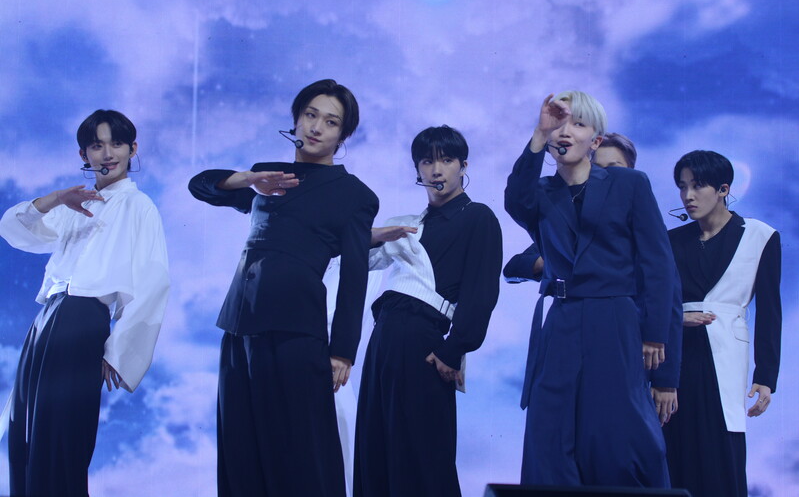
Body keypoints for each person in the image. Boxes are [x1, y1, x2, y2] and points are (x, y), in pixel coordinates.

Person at [188, 79, 378, 497]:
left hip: (296, 331)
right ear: (296, 119)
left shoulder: (355, 195)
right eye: (310, 115)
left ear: (343, 135)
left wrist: (343, 350)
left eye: (331, 122)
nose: (316, 127)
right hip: (239, 325)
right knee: (241, 449)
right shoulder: (268, 177)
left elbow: (355, 276)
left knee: (299, 453)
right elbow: (200, 185)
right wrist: (249, 180)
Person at [505, 92, 676, 487]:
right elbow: (515, 200)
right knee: (551, 427)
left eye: (578, 125)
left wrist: (654, 332)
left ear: (595, 141)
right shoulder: (541, 192)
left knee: (617, 430)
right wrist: (539, 133)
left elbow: (657, 262)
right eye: (559, 125)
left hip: (614, 316)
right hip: (563, 318)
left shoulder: (629, 184)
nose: (565, 132)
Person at [0, 109, 170, 497]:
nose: (107, 154)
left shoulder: (139, 206)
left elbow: (153, 281)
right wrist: (57, 198)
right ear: (83, 154)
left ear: (133, 149)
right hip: (47, 319)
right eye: (97, 146)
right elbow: (12, 229)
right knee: (25, 427)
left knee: (61, 435)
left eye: (116, 144)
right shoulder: (74, 203)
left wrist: (120, 350)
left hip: (82, 319)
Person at [354, 125, 502, 497]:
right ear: (417, 168)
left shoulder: (478, 217)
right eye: (426, 161)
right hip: (383, 339)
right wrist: (374, 234)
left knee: (422, 453)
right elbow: (353, 257)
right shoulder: (408, 224)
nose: (436, 170)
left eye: (446, 160)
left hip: (425, 342)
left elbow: (482, 293)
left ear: (463, 165)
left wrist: (454, 350)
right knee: (376, 446)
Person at [664, 150, 781, 497]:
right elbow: (655, 300)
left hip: (725, 355)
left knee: (721, 451)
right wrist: (676, 319)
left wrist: (765, 376)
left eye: (697, 186)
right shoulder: (671, 240)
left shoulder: (760, 236)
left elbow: (770, 311)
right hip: (677, 353)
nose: (688, 195)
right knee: (675, 446)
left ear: (723, 189)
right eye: (682, 186)